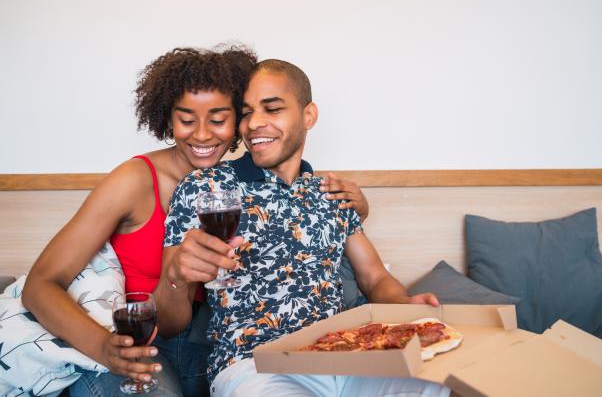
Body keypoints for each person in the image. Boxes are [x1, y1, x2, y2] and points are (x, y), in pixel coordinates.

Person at [21, 46, 369, 397]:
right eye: (186, 120)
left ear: (237, 120)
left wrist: (358, 209)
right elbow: (41, 283)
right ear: (166, 118)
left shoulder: (244, 185)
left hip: (206, 338)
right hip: (137, 338)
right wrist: (104, 347)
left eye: (218, 120)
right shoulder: (135, 180)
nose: (202, 135)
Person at [159, 59, 447, 397]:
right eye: (247, 112)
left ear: (308, 115)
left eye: (272, 109)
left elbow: (374, 278)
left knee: (437, 387)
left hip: (343, 355)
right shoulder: (205, 186)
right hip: (253, 366)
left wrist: (405, 304)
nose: (254, 124)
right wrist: (176, 276)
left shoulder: (331, 190)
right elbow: (168, 322)